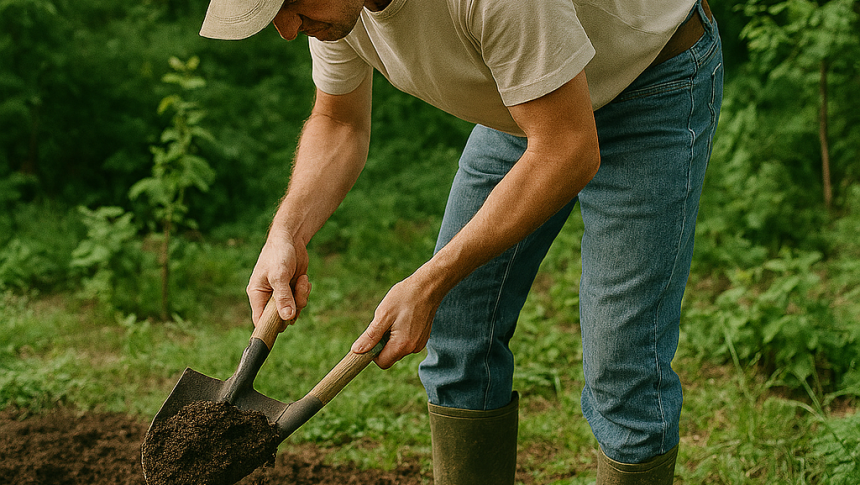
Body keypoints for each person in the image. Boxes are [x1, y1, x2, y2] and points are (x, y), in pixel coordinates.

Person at [199, 0, 723, 482]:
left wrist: (429, 280)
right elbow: (338, 122)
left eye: (288, 3)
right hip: (525, 103)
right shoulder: (337, 13)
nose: (287, 29)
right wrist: (285, 233)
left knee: (621, 366)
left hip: (648, 84)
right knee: (457, 328)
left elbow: (567, 149)